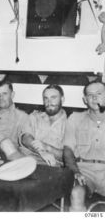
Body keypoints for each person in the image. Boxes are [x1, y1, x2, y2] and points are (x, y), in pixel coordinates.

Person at [64, 80, 105, 211]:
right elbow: (68, 150)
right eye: (90, 95)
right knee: (76, 193)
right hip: (84, 172)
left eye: (99, 93)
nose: (94, 97)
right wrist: (76, 172)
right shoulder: (75, 119)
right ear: (85, 100)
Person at [20, 84, 67, 167]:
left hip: (49, 164)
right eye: (46, 98)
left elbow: (68, 156)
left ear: (62, 99)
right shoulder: (35, 116)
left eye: (53, 98)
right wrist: (41, 151)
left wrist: (47, 147)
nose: (49, 102)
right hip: (26, 158)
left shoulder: (71, 124)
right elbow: (25, 138)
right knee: (5, 143)